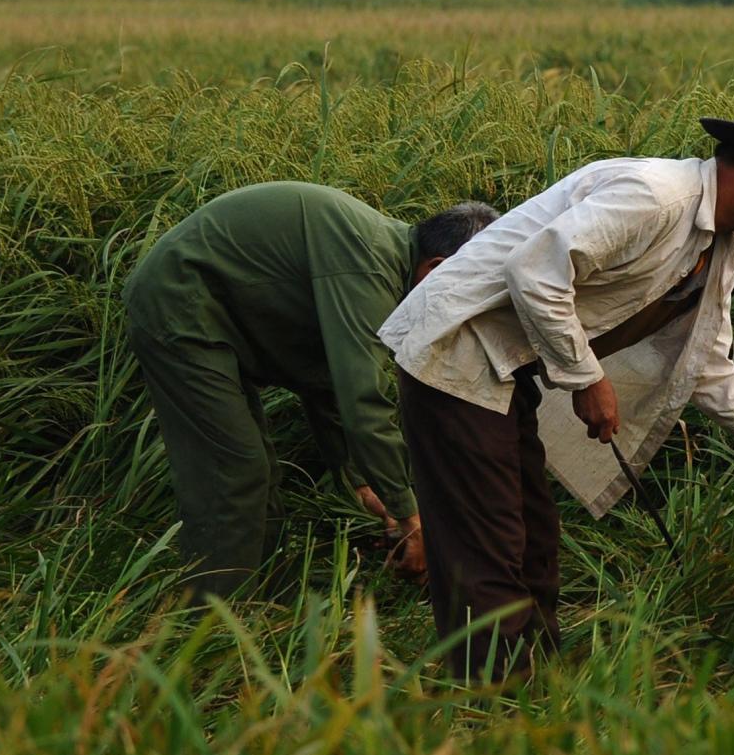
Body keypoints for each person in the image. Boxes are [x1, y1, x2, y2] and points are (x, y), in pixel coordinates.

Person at [383, 97, 734, 677]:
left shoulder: (719, 248)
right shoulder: (656, 197)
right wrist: (586, 378)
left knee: (533, 537)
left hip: (501, 368)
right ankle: (494, 702)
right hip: (454, 350)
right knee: (491, 544)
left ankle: (538, 686)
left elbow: (710, 371)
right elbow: (536, 270)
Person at [122, 184, 500, 599]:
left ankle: (259, 597)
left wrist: (360, 481)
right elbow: (363, 400)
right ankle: (204, 621)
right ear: (436, 268)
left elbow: (325, 378)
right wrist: (410, 516)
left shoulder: (383, 260)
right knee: (234, 470)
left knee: (257, 468)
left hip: (214, 313)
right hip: (178, 303)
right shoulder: (368, 267)